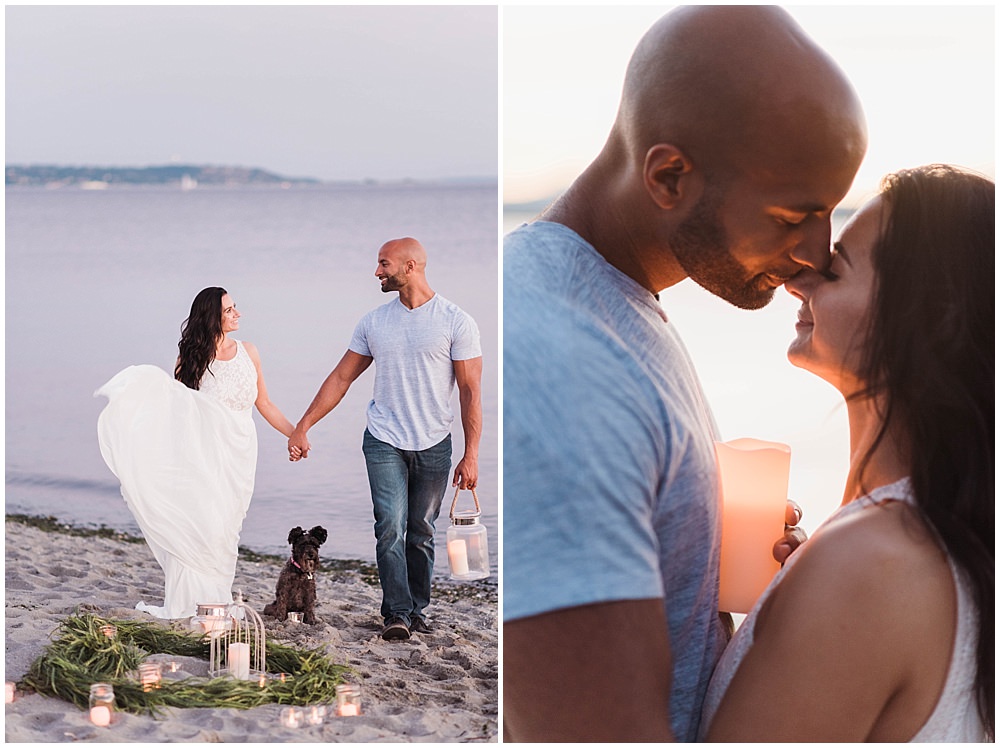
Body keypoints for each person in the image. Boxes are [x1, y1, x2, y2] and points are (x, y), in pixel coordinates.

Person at [503, 6, 868, 742]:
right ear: (669, 176)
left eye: (828, 213)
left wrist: (706, 560)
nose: (817, 252)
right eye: (795, 215)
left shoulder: (616, 308)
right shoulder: (560, 363)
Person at [700, 165, 994, 742]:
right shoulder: (919, 540)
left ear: (930, 319)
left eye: (832, 270)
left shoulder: (873, 564)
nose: (796, 280)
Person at [288, 237, 483, 641]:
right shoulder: (374, 322)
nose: (377, 271)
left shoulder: (456, 321)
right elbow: (341, 379)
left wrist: (472, 455)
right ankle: (396, 613)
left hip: (434, 443)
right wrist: (303, 425)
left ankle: (417, 609)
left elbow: (470, 391)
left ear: (410, 267)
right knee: (390, 527)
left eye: (384, 263)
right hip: (383, 439)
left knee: (422, 531)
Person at [96, 287, 297, 619]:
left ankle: (215, 597)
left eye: (235, 308)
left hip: (241, 455)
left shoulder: (249, 352)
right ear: (212, 317)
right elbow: (173, 413)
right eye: (230, 310)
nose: (238, 314)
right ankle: (196, 602)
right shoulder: (191, 359)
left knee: (228, 528)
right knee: (203, 525)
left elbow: (265, 403)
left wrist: (295, 433)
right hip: (202, 457)